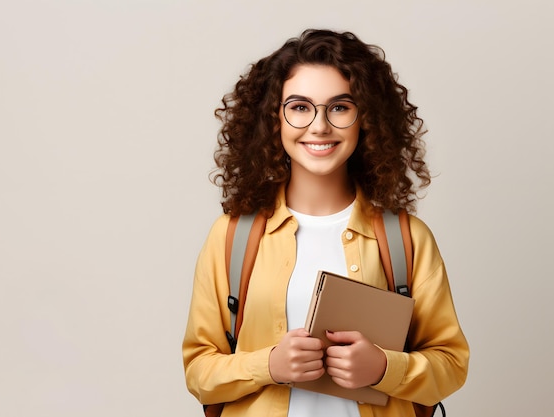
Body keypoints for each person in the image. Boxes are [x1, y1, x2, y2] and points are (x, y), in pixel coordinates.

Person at [182, 29, 469, 417]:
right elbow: (198, 371)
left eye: (339, 107)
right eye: (299, 107)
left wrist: (385, 367)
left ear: (364, 118)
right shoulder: (233, 237)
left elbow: (451, 365)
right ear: (273, 119)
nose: (319, 126)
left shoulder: (406, 239)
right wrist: (267, 365)